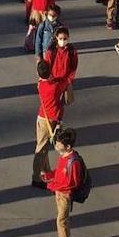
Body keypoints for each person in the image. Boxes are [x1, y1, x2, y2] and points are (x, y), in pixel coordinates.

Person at [42, 126, 84, 237]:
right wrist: (49, 176)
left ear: (67, 146)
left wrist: (51, 185)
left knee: (61, 220)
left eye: (59, 142)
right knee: (62, 219)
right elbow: (59, 172)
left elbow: (71, 183)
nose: (56, 144)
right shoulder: (64, 157)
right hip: (60, 193)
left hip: (65, 195)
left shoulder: (73, 162)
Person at [32, 59, 70, 188]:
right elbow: (65, 82)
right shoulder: (55, 86)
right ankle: (36, 178)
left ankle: (46, 171)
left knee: (42, 147)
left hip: (41, 117)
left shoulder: (40, 85)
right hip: (51, 120)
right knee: (40, 150)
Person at [44, 25, 79, 105]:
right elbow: (47, 66)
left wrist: (69, 80)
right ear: (56, 38)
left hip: (65, 82)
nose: (62, 41)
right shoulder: (51, 51)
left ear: (68, 38)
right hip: (53, 82)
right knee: (53, 104)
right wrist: (50, 80)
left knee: (64, 103)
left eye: (65, 39)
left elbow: (74, 66)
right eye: (60, 39)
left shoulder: (71, 51)